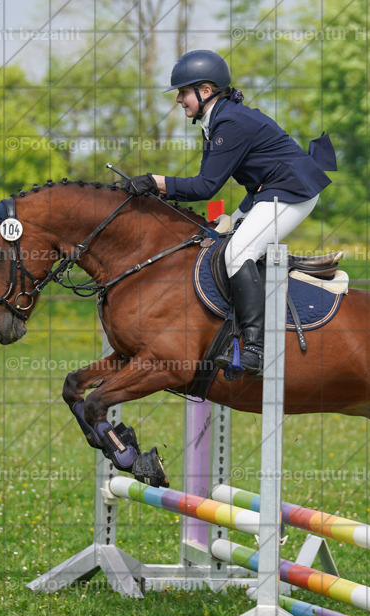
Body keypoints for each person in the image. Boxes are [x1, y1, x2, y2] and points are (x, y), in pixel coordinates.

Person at [126, 50, 336, 376]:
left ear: (205, 91)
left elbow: (206, 186)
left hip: (293, 192)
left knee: (238, 253)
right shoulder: (217, 119)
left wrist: (157, 183)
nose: (179, 99)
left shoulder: (229, 122)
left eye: (183, 92)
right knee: (217, 238)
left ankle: (254, 348)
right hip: (267, 193)